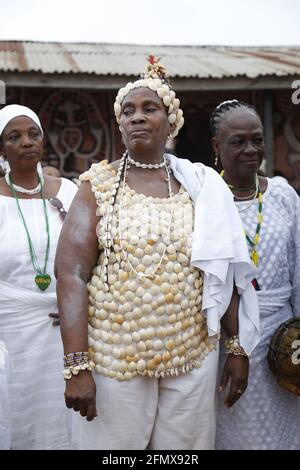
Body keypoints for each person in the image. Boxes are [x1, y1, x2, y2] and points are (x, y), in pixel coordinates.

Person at [55, 58, 259, 450]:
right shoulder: (95, 185)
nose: (137, 117)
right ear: (119, 124)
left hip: (192, 355)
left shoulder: (200, 186)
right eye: (128, 110)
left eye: (150, 109)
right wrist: (76, 365)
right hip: (114, 357)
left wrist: (236, 346)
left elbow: (223, 268)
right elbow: (71, 274)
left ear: (171, 122)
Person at [210, 99, 300, 450]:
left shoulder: (281, 194)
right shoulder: (205, 197)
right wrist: (233, 345)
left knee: (286, 431)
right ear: (217, 147)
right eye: (238, 141)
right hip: (228, 341)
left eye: (257, 140)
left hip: (284, 339)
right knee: (237, 431)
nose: (251, 149)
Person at [0, 104, 78, 449]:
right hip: (10, 328)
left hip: (66, 328)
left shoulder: (69, 193)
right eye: (14, 137)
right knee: (17, 411)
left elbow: (93, 256)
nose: (26, 142)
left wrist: (78, 306)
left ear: (44, 141)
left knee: (64, 419)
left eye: (33, 134)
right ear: (2, 149)